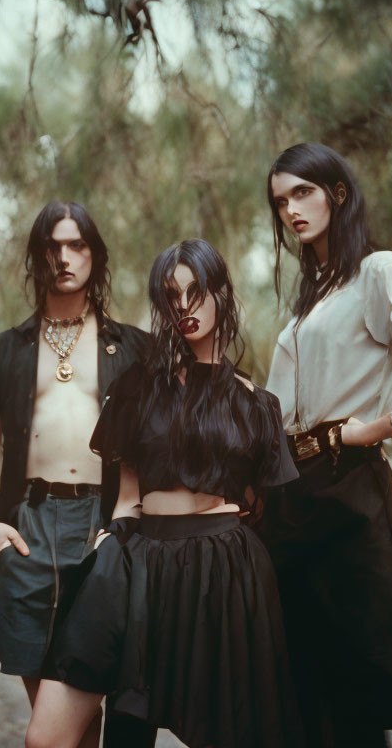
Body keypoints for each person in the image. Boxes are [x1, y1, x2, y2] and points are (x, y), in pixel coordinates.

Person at [26, 239, 305, 748]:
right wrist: (106, 544)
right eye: (171, 296)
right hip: (138, 558)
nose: (184, 307)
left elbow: (263, 505)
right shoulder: (140, 387)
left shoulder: (256, 404)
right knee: (48, 736)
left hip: (222, 568)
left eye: (196, 292)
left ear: (222, 292)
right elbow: (127, 496)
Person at [261, 142, 392, 747]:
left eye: (304, 191)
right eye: (281, 201)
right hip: (294, 497)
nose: (292, 210)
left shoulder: (380, 270)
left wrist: (373, 429)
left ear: (339, 193)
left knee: (380, 671)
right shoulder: (310, 300)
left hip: (349, 485)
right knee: (315, 686)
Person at [0, 201, 154, 748]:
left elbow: (155, 446)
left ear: (95, 256)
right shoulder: (3, 351)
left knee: (66, 715)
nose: (65, 257)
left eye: (78, 246)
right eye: (53, 246)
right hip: (29, 528)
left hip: (104, 523)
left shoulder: (133, 349)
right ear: (36, 257)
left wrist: (129, 524)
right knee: (63, 720)